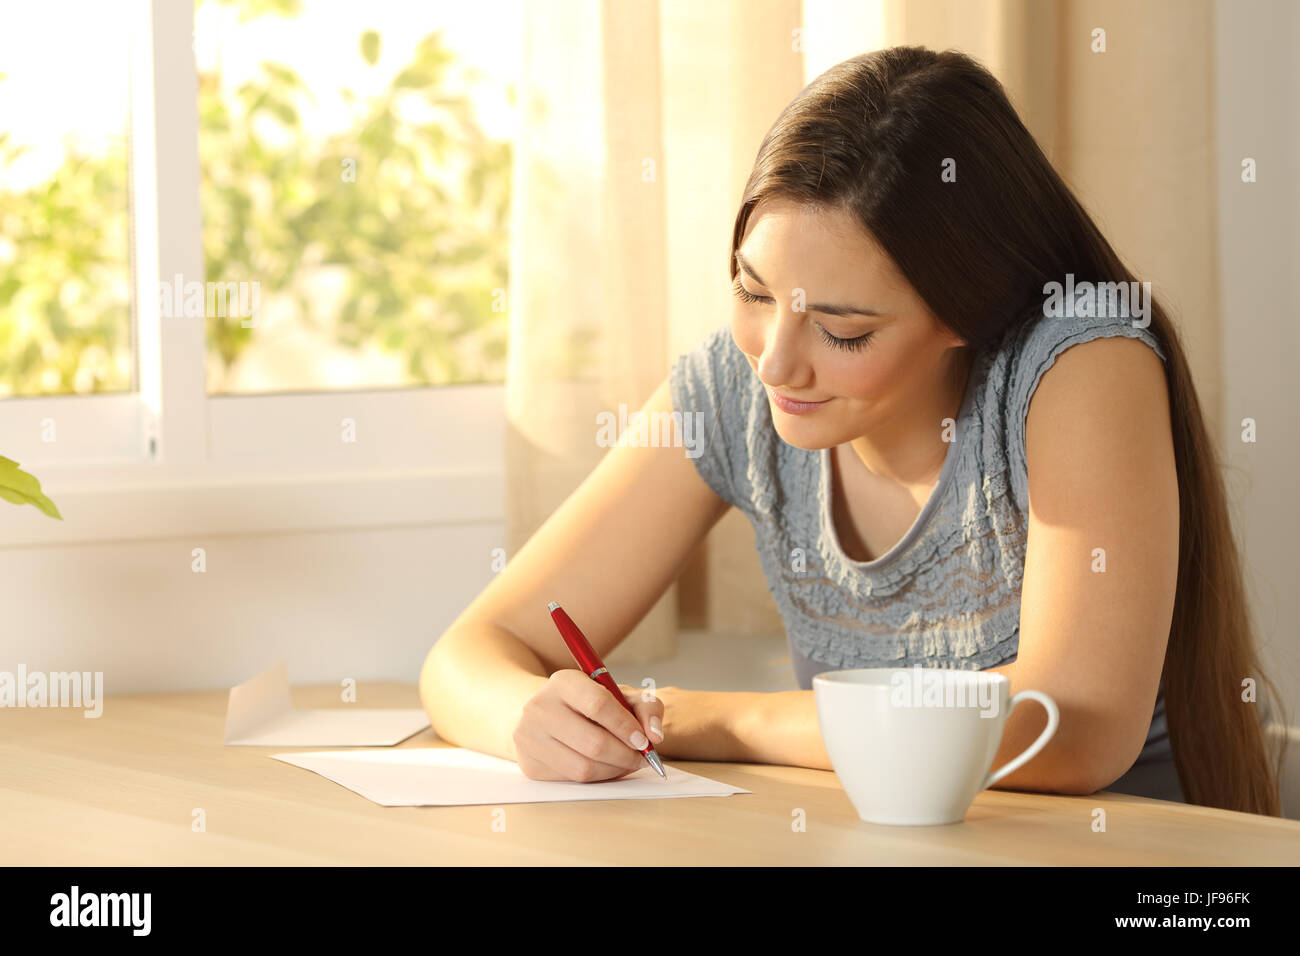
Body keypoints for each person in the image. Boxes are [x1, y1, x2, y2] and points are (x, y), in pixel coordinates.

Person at [420, 46, 1284, 815]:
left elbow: (1068, 730)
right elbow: (470, 653)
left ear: (968, 310)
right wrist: (525, 718)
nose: (775, 365)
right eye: (753, 292)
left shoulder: (1078, 362)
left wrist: (713, 717)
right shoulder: (734, 386)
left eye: (843, 332)